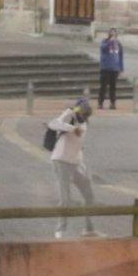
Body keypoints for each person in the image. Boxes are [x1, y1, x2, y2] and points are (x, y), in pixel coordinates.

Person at [47, 98, 98, 239]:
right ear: (78, 111)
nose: (84, 116)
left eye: (86, 114)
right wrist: (70, 121)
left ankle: (88, 229)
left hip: (76, 163)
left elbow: (79, 144)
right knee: (65, 198)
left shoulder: (84, 122)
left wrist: (82, 164)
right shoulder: (70, 118)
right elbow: (53, 124)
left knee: (89, 195)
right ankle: (60, 231)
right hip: (61, 161)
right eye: (82, 113)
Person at [98, 28, 124, 110]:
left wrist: (121, 68)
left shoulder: (118, 44)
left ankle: (112, 103)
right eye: (111, 33)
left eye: (114, 33)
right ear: (109, 34)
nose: (113, 34)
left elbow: (120, 57)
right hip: (105, 68)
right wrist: (110, 41)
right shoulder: (105, 42)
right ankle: (100, 103)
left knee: (113, 87)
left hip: (115, 69)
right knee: (103, 87)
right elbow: (103, 49)